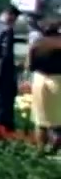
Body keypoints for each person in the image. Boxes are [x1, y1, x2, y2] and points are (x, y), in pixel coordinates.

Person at [28, 20, 61, 154]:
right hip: (58, 80)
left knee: (40, 119)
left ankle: (40, 149)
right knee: (59, 118)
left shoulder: (37, 44)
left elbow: (30, 65)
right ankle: (56, 148)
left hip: (40, 79)